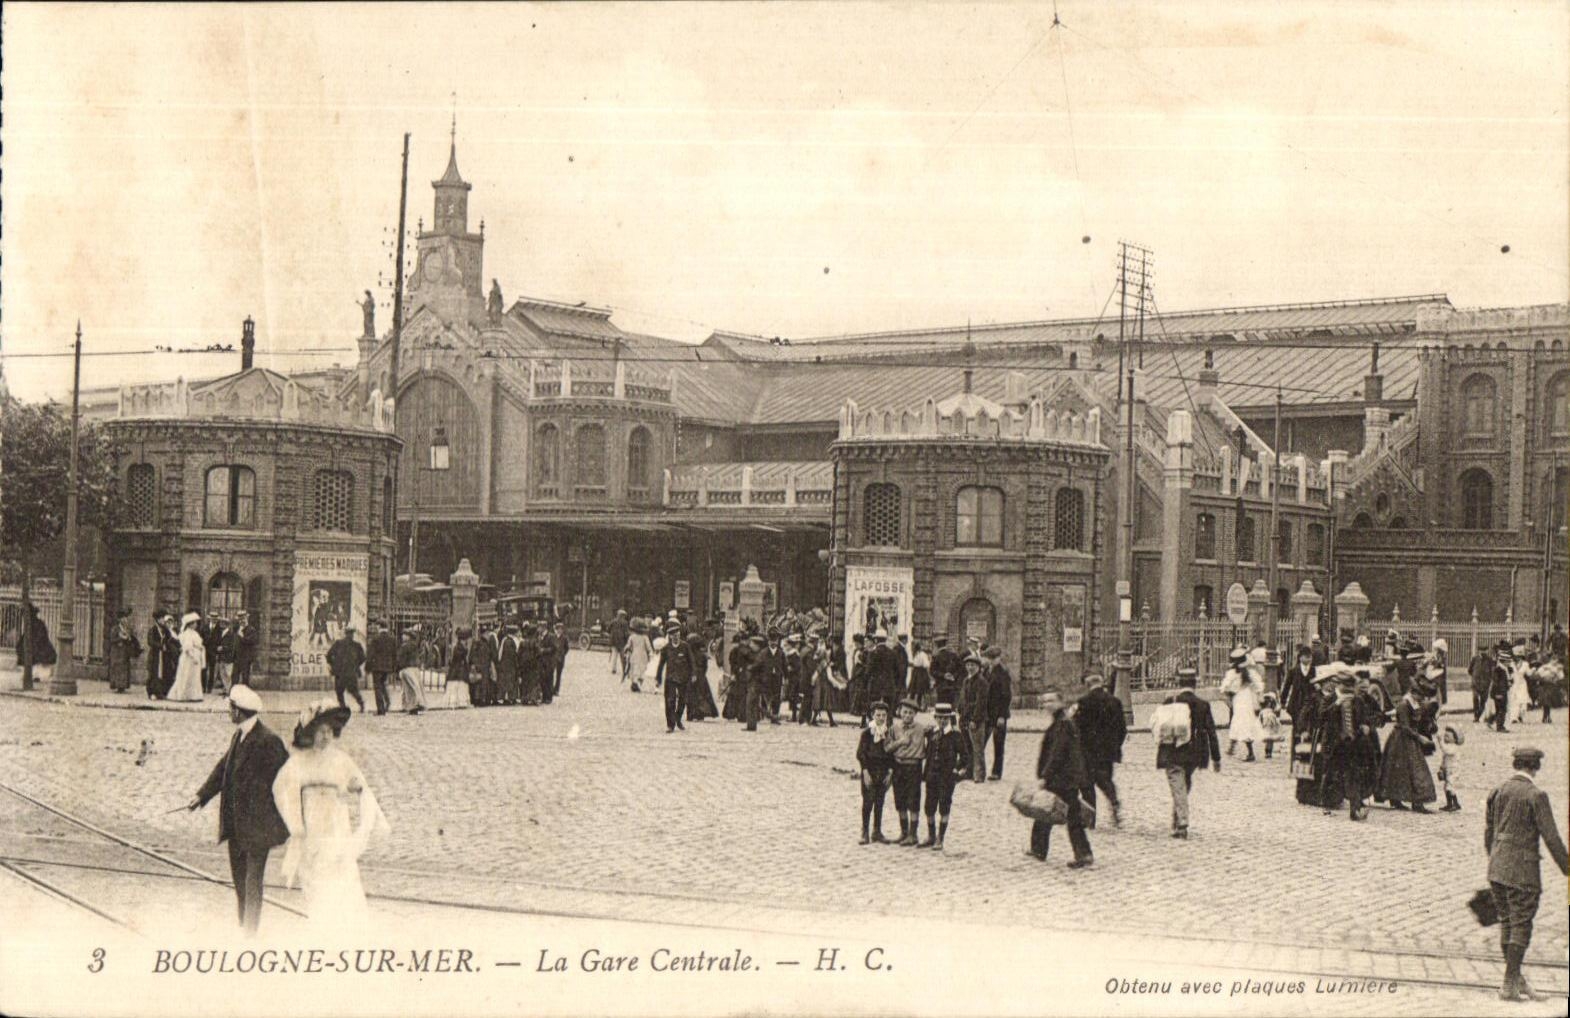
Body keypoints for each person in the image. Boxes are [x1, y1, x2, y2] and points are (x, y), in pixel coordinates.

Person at [271, 700, 389, 925]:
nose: (325, 736)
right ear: (311, 733)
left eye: (329, 731)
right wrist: (296, 825)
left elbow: (359, 786)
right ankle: (321, 926)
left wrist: (354, 788)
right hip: (312, 829)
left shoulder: (340, 760)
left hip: (336, 828)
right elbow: (282, 790)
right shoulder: (298, 762)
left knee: (342, 879)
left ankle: (344, 927)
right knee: (316, 882)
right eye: (320, 731)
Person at [187, 685, 291, 934]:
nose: (228, 711)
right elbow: (224, 767)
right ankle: (244, 927)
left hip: (257, 828)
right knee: (240, 882)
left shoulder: (268, 741)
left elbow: (286, 780)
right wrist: (201, 795)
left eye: (230, 707)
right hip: (236, 825)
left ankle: (250, 935)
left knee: (252, 883)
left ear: (238, 711)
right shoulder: (239, 735)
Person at [1484, 747, 1570, 1002]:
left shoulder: (1498, 790)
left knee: (1507, 922)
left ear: (1516, 764)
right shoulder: (1536, 795)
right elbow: (1551, 838)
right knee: (1521, 926)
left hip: (1497, 869)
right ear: (1536, 767)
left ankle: (1516, 981)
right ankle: (1509, 985)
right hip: (1523, 872)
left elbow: (1489, 832)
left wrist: (1496, 860)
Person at [1028, 687, 1093, 868]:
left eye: (1051, 701)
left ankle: (1083, 854)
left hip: (1063, 778)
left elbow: (1057, 753)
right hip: (1064, 778)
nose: (1047, 704)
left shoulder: (1063, 724)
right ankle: (1039, 849)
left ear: (1061, 702)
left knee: (1064, 815)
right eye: (1045, 701)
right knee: (1047, 812)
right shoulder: (1060, 722)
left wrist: (1045, 776)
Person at [1155, 666, 1221, 839]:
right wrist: (1216, 758)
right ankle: (1177, 821)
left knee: (1178, 787)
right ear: (1195, 684)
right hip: (1194, 753)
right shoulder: (1203, 705)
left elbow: (1159, 726)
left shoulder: (1170, 701)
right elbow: (1211, 733)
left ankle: (1182, 822)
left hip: (1173, 751)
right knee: (1183, 786)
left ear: (1179, 683)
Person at [1319, 669, 1378, 821]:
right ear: (1338, 685)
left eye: (1351, 686)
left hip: (1353, 744)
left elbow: (1366, 718)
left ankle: (1355, 809)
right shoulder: (1330, 699)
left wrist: (1366, 726)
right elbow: (1321, 717)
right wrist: (1336, 704)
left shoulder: (1357, 700)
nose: (1349, 690)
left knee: (1354, 775)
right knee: (1331, 775)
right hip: (1334, 744)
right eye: (1346, 686)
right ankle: (1327, 804)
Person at [1376, 678, 1438, 812]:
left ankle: (1407, 800)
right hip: (1400, 739)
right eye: (1421, 696)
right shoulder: (1404, 705)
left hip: (1409, 739)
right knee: (1410, 770)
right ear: (1414, 693)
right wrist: (1420, 738)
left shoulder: (1415, 703)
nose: (1422, 699)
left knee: (1404, 770)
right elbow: (1405, 726)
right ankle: (1409, 801)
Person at [1075, 673, 1127, 825]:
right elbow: (1122, 729)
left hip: (1088, 750)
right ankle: (1114, 800)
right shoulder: (1115, 701)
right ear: (1102, 684)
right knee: (1105, 779)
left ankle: (1090, 819)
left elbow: (1077, 728)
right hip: (1108, 751)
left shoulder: (1084, 702)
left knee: (1087, 784)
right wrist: (1116, 745)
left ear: (1088, 685)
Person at [920, 703, 965, 849]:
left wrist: (956, 770)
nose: (942, 721)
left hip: (946, 778)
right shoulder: (931, 733)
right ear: (935, 718)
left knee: (944, 806)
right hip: (931, 775)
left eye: (945, 718)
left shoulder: (955, 735)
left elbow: (965, 756)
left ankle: (940, 837)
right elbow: (927, 752)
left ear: (950, 718)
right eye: (939, 718)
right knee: (929, 806)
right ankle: (931, 835)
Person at [887, 698, 928, 846]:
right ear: (899, 712)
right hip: (899, 766)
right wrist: (899, 743)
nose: (907, 715)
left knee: (913, 801)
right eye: (905, 712)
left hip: (914, 767)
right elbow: (887, 748)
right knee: (900, 800)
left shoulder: (922, 729)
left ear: (915, 714)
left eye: (911, 713)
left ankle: (913, 834)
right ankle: (903, 832)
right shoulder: (894, 728)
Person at [856, 701, 894, 844]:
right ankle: (864, 831)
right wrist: (865, 772)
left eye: (884, 715)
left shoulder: (888, 733)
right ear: (872, 715)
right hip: (870, 771)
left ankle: (877, 831)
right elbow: (861, 754)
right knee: (868, 802)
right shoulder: (867, 734)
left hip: (883, 772)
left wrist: (890, 772)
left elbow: (892, 754)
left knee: (879, 802)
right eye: (878, 715)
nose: (881, 718)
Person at [1222, 648, 1263, 761]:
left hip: (1240, 699)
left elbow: (1225, 687)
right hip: (1247, 698)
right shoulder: (1249, 673)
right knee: (1242, 722)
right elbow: (1259, 685)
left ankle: (1248, 752)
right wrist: (1258, 695)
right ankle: (1233, 746)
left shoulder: (1232, 673)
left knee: (1240, 723)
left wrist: (1227, 696)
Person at [654, 621, 695, 732]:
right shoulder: (666, 649)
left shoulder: (685, 647)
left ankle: (678, 718)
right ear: (670, 636)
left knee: (683, 700)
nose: (676, 637)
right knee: (670, 701)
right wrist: (658, 678)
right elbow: (661, 664)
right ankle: (670, 725)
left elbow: (691, 661)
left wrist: (693, 674)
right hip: (670, 678)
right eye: (674, 635)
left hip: (683, 678)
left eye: (677, 634)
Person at [958, 654, 990, 783]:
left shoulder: (982, 682)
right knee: (968, 747)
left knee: (977, 748)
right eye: (968, 665)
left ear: (978, 667)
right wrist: (960, 713)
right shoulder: (966, 681)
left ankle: (979, 774)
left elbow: (981, 703)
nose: (970, 668)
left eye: (973, 665)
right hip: (965, 718)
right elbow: (962, 698)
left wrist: (975, 720)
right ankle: (970, 772)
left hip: (975, 719)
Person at [984, 646, 1012, 781]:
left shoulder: (1003, 673)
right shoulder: (986, 671)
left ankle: (996, 772)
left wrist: (1002, 715)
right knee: (981, 742)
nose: (991, 661)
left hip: (998, 714)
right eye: (990, 658)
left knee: (998, 744)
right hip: (987, 713)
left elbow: (1006, 696)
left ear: (999, 658)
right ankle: (977, 769)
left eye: (994, 658)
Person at [168, 612, 207, 702]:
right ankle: (183, 695)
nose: (196, 625)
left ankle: (193, 695)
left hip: (194, 656)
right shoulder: (187, 634)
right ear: (190, 624)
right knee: (186, 675)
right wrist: (194, 657)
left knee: (194, 677)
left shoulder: (194, 633)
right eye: (194, 623)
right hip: (189, 658)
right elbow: (187, 647)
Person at [327, 627, 367, 713]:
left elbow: (329, 655)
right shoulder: (357, 645)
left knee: (339, 691)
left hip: (340, 672)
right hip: (351, 672)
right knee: (354, 690)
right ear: (352, 635)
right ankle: (361, 704)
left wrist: (334, 665)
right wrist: (356, 665)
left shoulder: (338, 644)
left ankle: (343, 707)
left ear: (345, 634)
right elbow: (363, 658)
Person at [685, 629, 720, 721]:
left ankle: (690, 714)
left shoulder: (688, 654)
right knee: (702, 695)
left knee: (691, 695)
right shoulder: (702, 655)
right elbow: (705, 667)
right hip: (701, 677)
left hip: (691, 676)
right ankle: (700, 714)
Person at [1280, 645, 1317, 729]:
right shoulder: (1293, 671)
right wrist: (1283, 701)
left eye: (1310, 657)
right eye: (1306, 657)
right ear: (1300, 658)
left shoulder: (1314, 670)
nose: (1309, 659)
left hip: (1309, 702)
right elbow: (1286, 686)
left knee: (1307, 724)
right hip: (1296, 701)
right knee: (1296, 725)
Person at [106, 607, 142, 693]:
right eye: (123, 618)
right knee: (117, 668)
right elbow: (112, 639)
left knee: (124, 668)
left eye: (126, 618)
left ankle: (123, 686)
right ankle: (118, 686)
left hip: (124, 652)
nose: (125, 620)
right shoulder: (115, 628)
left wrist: (129, 639)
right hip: (116, 652)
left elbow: (131, 638)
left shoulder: (127, 629)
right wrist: (121, 638)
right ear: (120, 619)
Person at [366, 621, 398, 715]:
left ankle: (381, 709)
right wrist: (394, 667)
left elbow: (370, 654)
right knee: (382, 684)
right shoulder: (392, 639)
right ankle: (387, 701)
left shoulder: (375, 639)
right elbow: (394, 654)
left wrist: (368, 667)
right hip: (387, 667)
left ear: (379, 627)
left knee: (377, 687)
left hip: (377, 667)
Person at [394, 629, 427, 715]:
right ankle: (411, 705)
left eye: (405, 635)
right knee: (412, 687)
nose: (402, 636)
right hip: (414, 668)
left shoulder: (405, 646)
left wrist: (398, 668)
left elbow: (400, 658)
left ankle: (412, 705)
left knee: (409, 688)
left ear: (408, 637)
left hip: (407, 668)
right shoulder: (414, 645)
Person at [145, 609, 174, 699]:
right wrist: (160, 646)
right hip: (155, 655)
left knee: (163, 673)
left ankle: (161, 693)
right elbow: (150, 641)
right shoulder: (153, 630)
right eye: (161, 619)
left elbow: (169, 639)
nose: (163, 621)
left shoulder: (165, 630)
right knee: (154, 674)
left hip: (164, 655)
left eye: (163, 619)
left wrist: (167, 645)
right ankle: (151, 693)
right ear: (157, 620)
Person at [1437, 724, 1463, 812]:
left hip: (1453, 770)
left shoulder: (1454, 747)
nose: (1445, 738)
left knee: (1450, 787)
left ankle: (1455, 803)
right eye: (1445, 736)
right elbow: (1444, 759)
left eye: (1448, 736)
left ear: (1455, 739)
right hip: (1448, 770)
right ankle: (1449, 804)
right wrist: (1441, 768)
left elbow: (1446, 751)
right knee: (1446, 787)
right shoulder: (1449, 747)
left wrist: (1440, 742)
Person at [929, 635, 961, 709]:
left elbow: (932, 671)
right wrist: (954, 676)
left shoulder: (936, 656)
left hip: (941, 686)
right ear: (945, 644)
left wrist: (943, 675)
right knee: (952, 706)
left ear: (937, 645)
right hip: (953, 685)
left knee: (942, 706)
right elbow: (960, 668)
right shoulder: (954, 655)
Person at [624, 618, 654, 692]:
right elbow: (649, 647)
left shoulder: (632, 637)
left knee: (634, 669)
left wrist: (626, 651)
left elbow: (628, 646)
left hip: (634, 655)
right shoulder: (645, 637)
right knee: (642, 670)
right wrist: (651, 653)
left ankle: (634, 682)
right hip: (643, 656)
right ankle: (637, 683)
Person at [232, 611, 260, 689]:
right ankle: (233, 693)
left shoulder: (251, 630)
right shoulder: (237, 629)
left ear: (247, 619)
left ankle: (245, 694)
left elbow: (251, 641)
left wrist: (242, 636)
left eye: (243, 619)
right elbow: (235, 643)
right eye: (240, 619)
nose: (241, 621)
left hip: (246, 658)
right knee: (234, 677)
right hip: (237, 657)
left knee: (245, 677)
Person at [495, 624, 521, 705]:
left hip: (504, 664)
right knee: (510, 681)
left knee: (506, 681)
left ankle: (507, 697)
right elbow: (514, 653)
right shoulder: (512, 641)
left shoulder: (504, 640)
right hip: (510, 664)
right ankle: (510, 698)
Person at [445, 628, 471, 707]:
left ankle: (458, 701)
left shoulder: (459, 647)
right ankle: (459, 701)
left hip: (457, 669)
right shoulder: (459, 648)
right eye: (465, 640)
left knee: (458, 685)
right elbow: (460, 657)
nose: (466, 641)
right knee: (459, 685)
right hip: (458, 669)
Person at [908, 640, 932, 710]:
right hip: (918, 672)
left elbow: (925, 665)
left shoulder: (920, 654)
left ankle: (917, 705)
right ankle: (913, 704)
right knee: (916, 690)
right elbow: (924, 664)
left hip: (919, 673)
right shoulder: (919, 654)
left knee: (918, 690)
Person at [608, 609, 630, 676]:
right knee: (622, 656)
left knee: (614, 655)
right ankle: (624, 670)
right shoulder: (625, 623)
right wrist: (627, 640)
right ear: (623, 616)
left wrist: (612, 635)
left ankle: (613, 669)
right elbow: (626, 633)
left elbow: (608, 629)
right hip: (622, 641)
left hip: (613, 641)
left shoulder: (613, 621)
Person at [550, 621, 570, 698]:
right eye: (558, 629)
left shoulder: (564, 638)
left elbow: (567, 648)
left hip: (560, 659)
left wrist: (563, 654)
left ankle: (556, 690)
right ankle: (551, 688)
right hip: (553, 658)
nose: (560, 630)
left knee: (558, 675)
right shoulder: (553, 637)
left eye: (561, 629)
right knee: (551, 674)